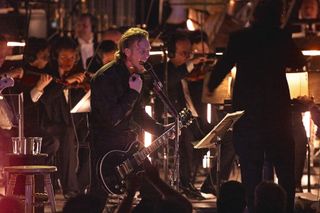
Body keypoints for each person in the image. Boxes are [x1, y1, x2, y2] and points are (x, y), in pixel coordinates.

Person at [206, 0, 306, 212]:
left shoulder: (240, 38)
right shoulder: (280, 37)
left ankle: (252, 208)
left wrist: (212, 84)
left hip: (249, 118)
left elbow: (222, 67)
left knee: (251, 175)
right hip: (278, 118)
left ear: (254, 15)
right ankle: (285, 209)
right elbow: (299, 61)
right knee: (285, 175)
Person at [89, 27, 169, 212]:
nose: (147, 55)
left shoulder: (135, 76)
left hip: (129, 145)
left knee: (154, 194)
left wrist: (162, 129)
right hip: (106, 149)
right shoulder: (105, 77)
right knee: (98, 200)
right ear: (126, 51)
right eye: (142, 50)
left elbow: (138, 115)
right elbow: (112, 119)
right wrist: (133, 93)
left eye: (149, 50)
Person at [154, 31, 206, 200]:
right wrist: (190, 65)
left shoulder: (187, 72)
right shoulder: (164, 70)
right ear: (171, 53)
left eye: (190, 52)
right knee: (186, 140)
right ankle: (185, 183)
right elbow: (170, 81)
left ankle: (208, 183)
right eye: (185, 53)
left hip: (194, 118)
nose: (189, 56)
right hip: (177, 120)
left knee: (225, 138)